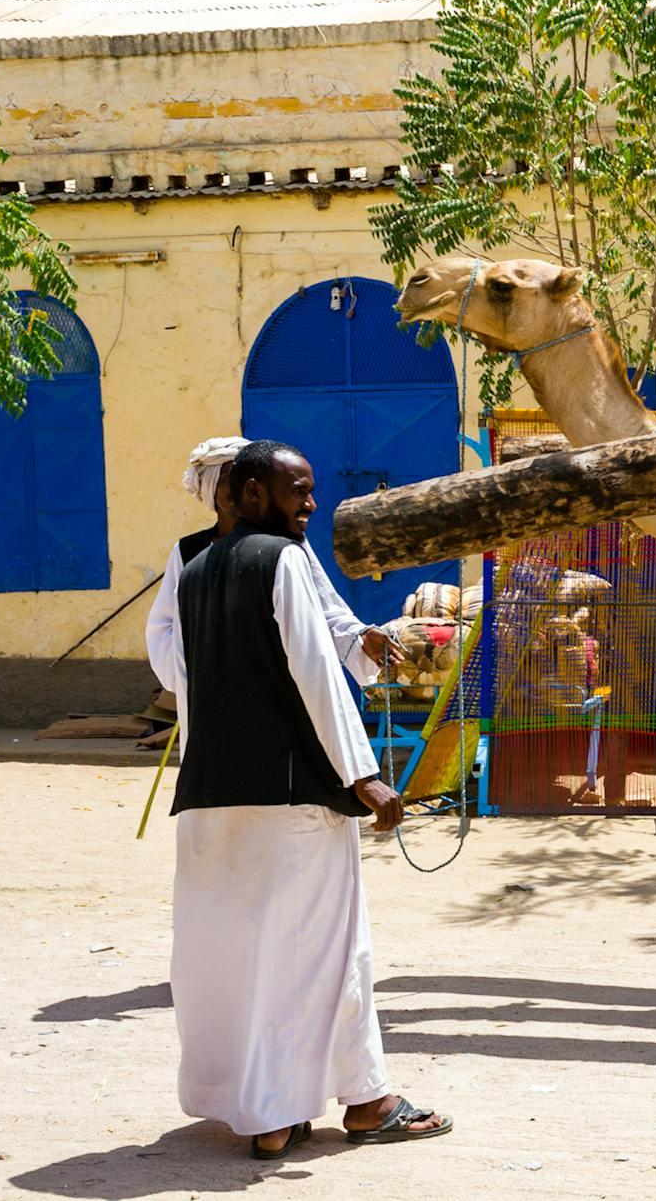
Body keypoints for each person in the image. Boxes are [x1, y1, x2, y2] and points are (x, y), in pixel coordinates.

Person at [169, 439, 451, 1158]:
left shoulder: (193, 570)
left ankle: (270, 1115)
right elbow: (315, 668)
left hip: (208, 797)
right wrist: (363, 775)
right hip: (292, 798)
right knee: (330, 952)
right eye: (298, 490)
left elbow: (190, 681)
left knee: (242, 958)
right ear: (252, 492)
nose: (312, 504)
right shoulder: (282, 559)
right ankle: (367, 1102)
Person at [145, 436, 401, 706]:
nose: (237, 488)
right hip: (210, 697)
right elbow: (163, 627)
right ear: (210, 488)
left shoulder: (285, 545)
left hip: (276, 691)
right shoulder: (189, 551)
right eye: (229, 480)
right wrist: (192, 671)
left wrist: (359, 636)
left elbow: (324, 610)